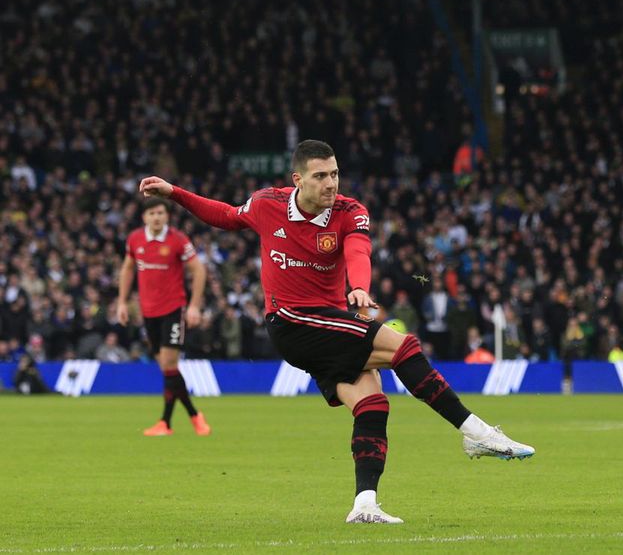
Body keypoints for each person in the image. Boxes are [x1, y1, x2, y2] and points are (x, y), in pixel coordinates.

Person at [138, 139, 533, 525]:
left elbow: (358, 251)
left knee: (372, 404)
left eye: (336, 174)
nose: (332, 183)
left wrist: (359, 285)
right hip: (291, 320)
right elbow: (224, 215)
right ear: (298, 179)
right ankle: (476, 431)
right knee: (403, 346)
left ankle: (365, 504)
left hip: (329, 322)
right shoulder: (266, 205)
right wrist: (174, 193)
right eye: (321, 176)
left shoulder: (349, 211)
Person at [117, 197, 211, 436]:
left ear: (167, 216)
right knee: (168, 370)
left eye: (160, 213)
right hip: (148, 312)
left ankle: (165, 423)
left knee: (169, 365)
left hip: (172, 309)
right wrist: (122, 302)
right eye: (152, 213)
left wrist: (194, 306)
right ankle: (194, 415)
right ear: (144, 217)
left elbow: (198, 270)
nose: (156, 217)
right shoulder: (135, 239)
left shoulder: (178, 240)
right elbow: (128, 268)